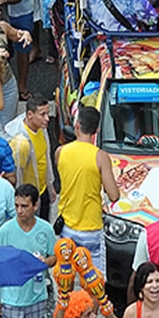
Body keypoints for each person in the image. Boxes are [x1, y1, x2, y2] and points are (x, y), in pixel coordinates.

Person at [0, 184, 56, 318]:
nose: (19, 210)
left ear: (35, 205)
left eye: (24, 206)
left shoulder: (46, 229)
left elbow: (54, 257)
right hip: (12, 300)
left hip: (37, 297)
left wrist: (44, 262)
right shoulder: (5, 231)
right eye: (16, 205)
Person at [55, 106, 119, 275]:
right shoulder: (100, 156)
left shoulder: (61, 152)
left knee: (66, 280)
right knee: (93, 282)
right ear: (97, 130)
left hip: (66, 228)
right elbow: (113, 195)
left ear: (77, 125)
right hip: (91, 228)